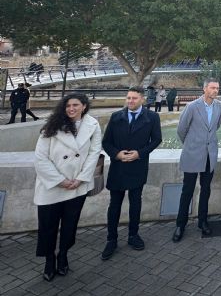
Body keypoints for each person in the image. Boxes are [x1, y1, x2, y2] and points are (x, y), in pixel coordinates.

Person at [34, 93, 102, 281]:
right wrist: (59, 180)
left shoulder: (93, 125)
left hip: (77, 186)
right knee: (47, 226)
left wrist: (81, 178)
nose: (71, 109)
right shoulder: (51, 127)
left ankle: (63, 255)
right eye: (67, 106)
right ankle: (49, 259)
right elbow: (40, 158)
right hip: (52, 186)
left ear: (84, 106)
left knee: (70, 226)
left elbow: (94, 153)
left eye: (75, 105)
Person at [101, 87, 162, 260]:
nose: (130, 101)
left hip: (138, 166)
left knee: (136, 203)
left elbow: (157, 139)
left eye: (134, 98)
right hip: (118, 166)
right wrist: (117, 154)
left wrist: (140, 153)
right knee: (115, 205)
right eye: (128, 98)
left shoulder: (152, 117)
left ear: (142, 99)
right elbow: (106, 142)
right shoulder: (116, 117)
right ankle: (111, 239)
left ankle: (133, 235)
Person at [172, 79, 221, 242]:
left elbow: (216, 127)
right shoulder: (192, 107)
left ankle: (203, 221)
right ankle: (180, 225)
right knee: (187, 190)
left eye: (217, 88)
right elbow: (181, 130)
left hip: (210, 155)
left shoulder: (219, 107)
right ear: (204, 88)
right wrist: (192, 145)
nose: (215, 90)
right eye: (212, 87)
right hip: (193, 154)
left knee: (206, 190)